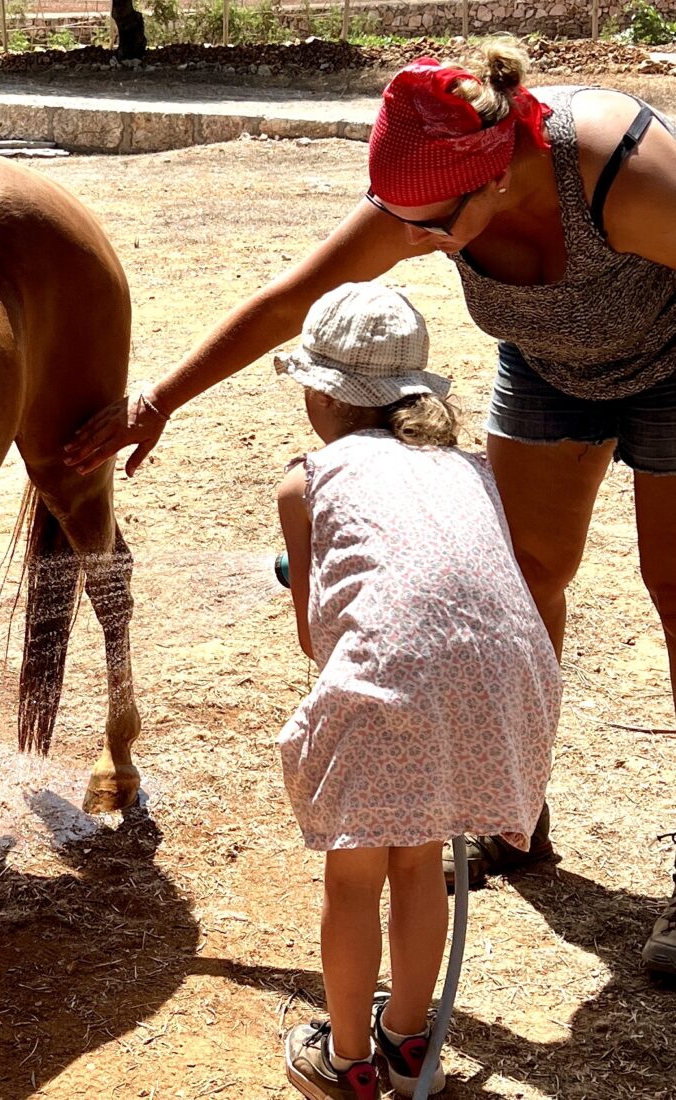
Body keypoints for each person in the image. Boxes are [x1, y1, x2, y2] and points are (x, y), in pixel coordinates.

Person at [63, 39, 676, 975]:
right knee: (523, 577)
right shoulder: (431, 181)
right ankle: (511, 811)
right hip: (550, 367)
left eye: (423, 224)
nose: (403, 236)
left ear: (500, 175)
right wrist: (157, 402)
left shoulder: (625, 176)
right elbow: (288, 304)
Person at [270, 280, 560, 1099]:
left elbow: (314, 639)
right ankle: (404, 1040)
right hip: (505, 694)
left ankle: (347, 1059)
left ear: (321, 392)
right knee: (421, 864)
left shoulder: (308, 481)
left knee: (353, 878)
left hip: (393, 688)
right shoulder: (467, 470)